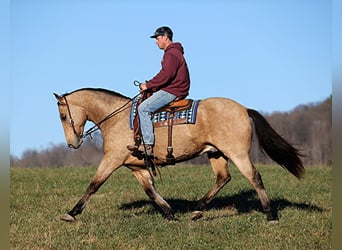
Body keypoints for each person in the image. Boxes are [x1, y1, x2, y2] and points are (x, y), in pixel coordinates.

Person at [127, 26, 191, 156]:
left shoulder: (171, 54)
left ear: (165, 37)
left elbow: (166, 75)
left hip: (173, 90)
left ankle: (148, 145)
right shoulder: (174, 52)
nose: (156, 41)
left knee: (143, 108)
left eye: (157, 38)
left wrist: (148, 85)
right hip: (175, 88)